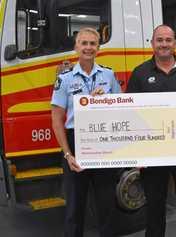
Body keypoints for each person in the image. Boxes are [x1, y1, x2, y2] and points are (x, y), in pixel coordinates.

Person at [126, 25, 176, 237]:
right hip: (153, 153)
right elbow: (131, 115)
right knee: (154, 209)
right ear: (152, 43)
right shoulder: (140, 73)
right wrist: (136, 153)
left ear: (175, 43)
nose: (164, 44)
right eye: (159, 40)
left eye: (168, 40)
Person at [51, 27, 121, 237]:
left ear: (98, 48)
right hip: (75, 143)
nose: (88, 48)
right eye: (84, 43)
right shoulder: (64, 79)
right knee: (74, 208)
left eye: (92, 44)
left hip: (103, 141)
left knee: (106, 205)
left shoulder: (108, 75)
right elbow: (56, 119)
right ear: (76, 47)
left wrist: (106, 101)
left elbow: (121, 108)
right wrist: (67, 154)